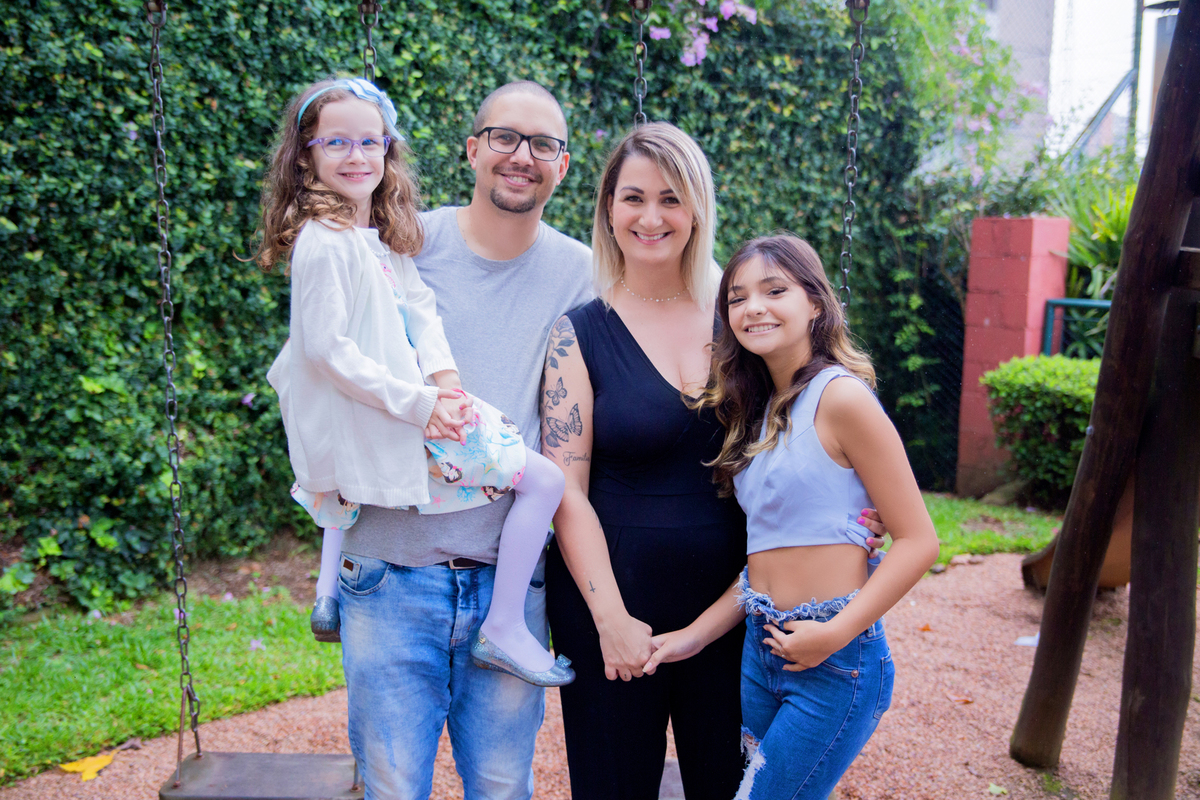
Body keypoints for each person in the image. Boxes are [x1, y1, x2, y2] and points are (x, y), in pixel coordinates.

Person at [540, 124, 888, 800]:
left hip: (738, 612)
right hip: (610, 609)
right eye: (632, 197)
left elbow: (810, 428)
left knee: (730, 786)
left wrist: (848, 514)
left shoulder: (743, 319)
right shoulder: (575, 333)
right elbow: (566, 491)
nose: (650, 217)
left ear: (696, 206)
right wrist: (610, 618)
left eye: (671, 198)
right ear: (608, 207)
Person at [309, 80, 588, 799]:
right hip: (390, 575)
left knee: (501, 784)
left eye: (543, 144)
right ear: (472, 149)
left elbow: (687, 284)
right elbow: (326, 346)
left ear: (564, 164)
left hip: (510, 580)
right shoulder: (401, 241)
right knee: (393, 785)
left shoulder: (584, 274)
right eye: (504, 137)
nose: (521, 156)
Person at [258, 77, 573, 687]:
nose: (356, 156)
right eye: (337, 143)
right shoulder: (324, 244)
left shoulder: (379, 239)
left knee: (356, 475)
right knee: (546, 479)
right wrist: (421, 401)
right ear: (305, 156)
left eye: (370, 142)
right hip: (406, 416)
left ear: (387, 151)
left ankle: (330, 589)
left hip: (419, 410)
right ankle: (505, 624)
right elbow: (324, 350)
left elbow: (420, 308)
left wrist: (447, 384)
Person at [642, 234, 940, 799]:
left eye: (774, 290)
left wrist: (833, 633)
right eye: (737, 297)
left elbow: (919, 541)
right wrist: (691, 638)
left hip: (834, 663)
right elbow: (765, 565)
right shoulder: (756, 416)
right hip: (763, 648)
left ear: (816, 304)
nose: (753, 307)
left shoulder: (843, 399)